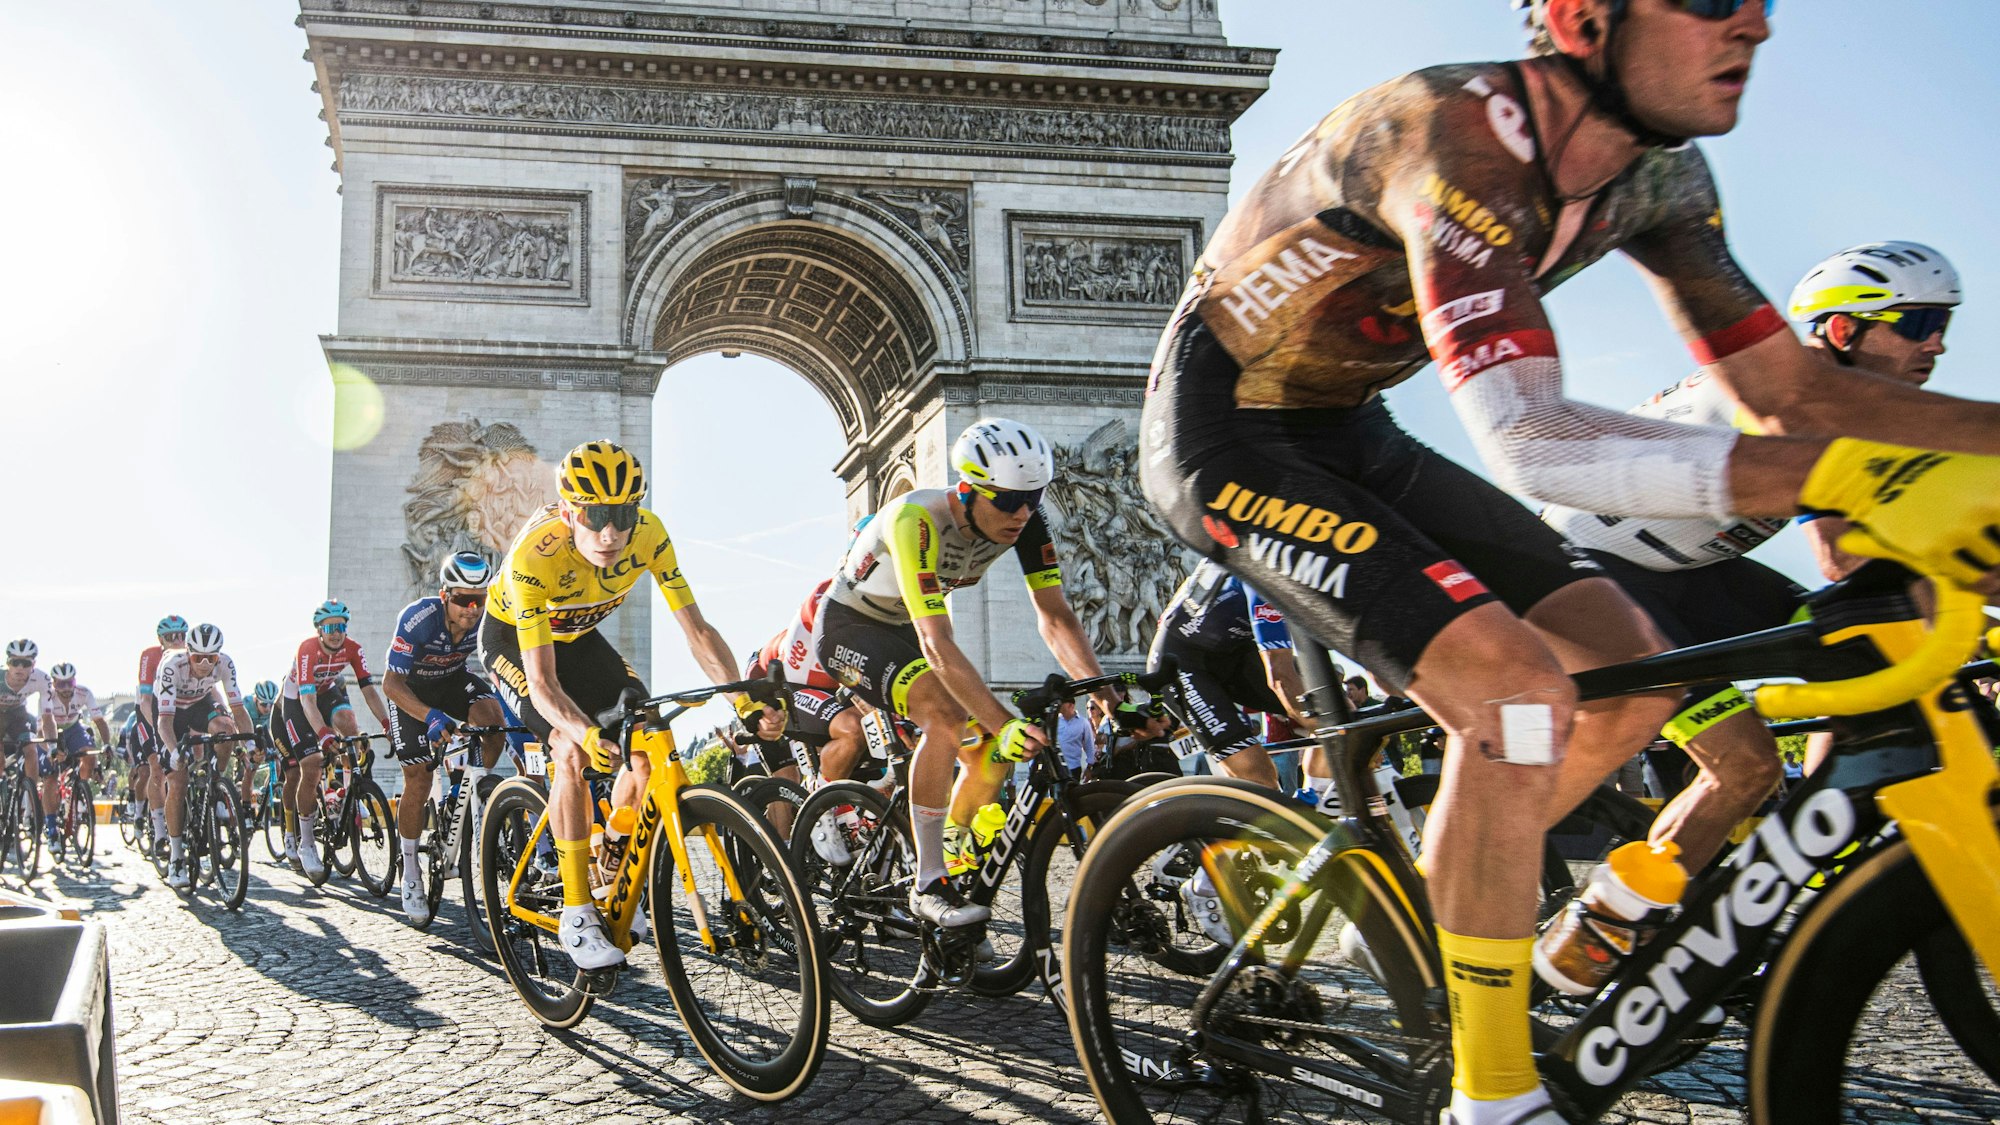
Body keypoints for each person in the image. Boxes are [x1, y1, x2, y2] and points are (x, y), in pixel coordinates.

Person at [1137, 2, 2000, 1120]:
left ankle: (1474, 907)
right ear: (1580, 16)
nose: (1752, 29)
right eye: (1707, 2)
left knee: (1627, 684)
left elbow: (1789, 393)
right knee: (1513, 690)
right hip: (1225, 430)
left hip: (1356, 430)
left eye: (1763, 6)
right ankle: (1490, 1093)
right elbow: (1529, 437)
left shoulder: (1663, 178)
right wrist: (1854, 478)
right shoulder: (1447, 131)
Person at [1544, 240, 1962, 861]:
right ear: (1843, 329)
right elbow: (1843, 557)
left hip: (1695, 571)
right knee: (1742, 764)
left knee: (1857, 656)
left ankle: (1819, 857)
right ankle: (1625, 923)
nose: (1938, 345)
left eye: (1944, 325)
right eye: (1920, 325)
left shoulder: (1852, 406)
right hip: (1595, 579)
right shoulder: (1790, 399)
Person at [481, 440, 776, 972]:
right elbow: (544, 684)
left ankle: (612, 852)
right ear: (569, 511)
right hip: (516, 643)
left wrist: (742, 700)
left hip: (581, 640)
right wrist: (585, 732)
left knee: (647, 742)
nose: (610, 533)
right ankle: (575, 910)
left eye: (623, 514)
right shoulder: (534, 555)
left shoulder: (651, 536)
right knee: (567, 748)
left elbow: (698, 630)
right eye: (595, 517)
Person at [814, 418, 1119, 931]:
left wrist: (1107, 693)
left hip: (908, 627)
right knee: (947, 715)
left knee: (990, 751)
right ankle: (928, 883)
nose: (1021, 512)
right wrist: (1005, 720)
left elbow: (1056, 615)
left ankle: (953, 844)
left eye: (1033, 496)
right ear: (967, 488)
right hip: (850, 626)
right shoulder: (917, 518)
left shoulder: (1028, 519)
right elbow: (936, 642)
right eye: (1004, 500)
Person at [382, 551, 509, 926]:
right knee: (418, 778)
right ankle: (409, 871)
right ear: (444, 596)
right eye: (462, 600)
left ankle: (466, 789)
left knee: (494, 722)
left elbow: (504, 663)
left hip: (452, 679)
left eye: (479, 599)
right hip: (412, 691)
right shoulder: (418, 618)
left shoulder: (487, 616)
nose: (472, 609)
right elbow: (391, 683)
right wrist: (430, 716)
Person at [1147, 558, 1311, 789]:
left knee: (1330, 701)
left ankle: (1322, 794)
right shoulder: (1264, 571)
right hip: (1180, 663)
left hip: (1233, 652)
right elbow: (1280, 677)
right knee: (1258, 773)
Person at [273, 600, 392, 880]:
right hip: (296, 702)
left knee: (350, 726)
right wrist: (324, 735)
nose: (336, 633)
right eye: (330, 628)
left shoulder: (353, 649)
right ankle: (306, 842)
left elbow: (369, 691)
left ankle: (351, 792)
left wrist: (387, 724)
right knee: (311, 764)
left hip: (325, 693)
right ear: (319, 630)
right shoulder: (307, 649)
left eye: (341, 627)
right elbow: (307, 700)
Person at [153, 625, 256, 889]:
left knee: (226, 729)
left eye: (210, 658)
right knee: (177, 782)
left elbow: (238, 710)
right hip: (171, 713)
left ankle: (215, 782)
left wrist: (251, 744)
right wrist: (175, 753)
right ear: (188, 651)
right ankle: (176, 856)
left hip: (200, 703)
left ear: (218, 656)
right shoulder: (171, 665)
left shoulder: (225, 664)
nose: (204, 663)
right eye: (198, 656)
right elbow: (164, 724)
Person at [131, 615, 188, 855]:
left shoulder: (191, 655)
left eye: (181, 636)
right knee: (156, 767)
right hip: (150, 714)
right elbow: (145, 700)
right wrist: (158, 729)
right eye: (170, 637)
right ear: (160, 640)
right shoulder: (150, 655)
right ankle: (160, 832)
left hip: (179, 711)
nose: (177, 640)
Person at [37, 663, 110, 846]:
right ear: (54, 684)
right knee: (51, 778)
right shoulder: (46, 696)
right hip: (48, 731)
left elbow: (99, 721)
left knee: (90, 753)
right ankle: (51, 825)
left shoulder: (84, 692)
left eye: (70, 683)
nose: (67, 688)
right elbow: (44, 726)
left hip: (73, 728)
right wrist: (52, 749)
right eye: (61, 684)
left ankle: (80, 788)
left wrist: (108, 744)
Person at [1, 640, 50, 816]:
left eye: (26, 663)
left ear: (33, 665)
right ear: (8, 663)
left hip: (18, 714)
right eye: (15, 662)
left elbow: (47, 717)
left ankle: (30, 803)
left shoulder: (42, 679)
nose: (20, 668)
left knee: (31, 750)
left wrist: (51, 746)